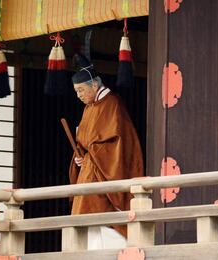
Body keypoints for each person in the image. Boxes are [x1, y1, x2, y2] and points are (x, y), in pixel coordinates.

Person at [68, 54, 144, 249]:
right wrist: (81, 157)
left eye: (81, 90)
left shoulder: (112, 104)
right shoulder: (89, 108)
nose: (79, 95)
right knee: (87, 228)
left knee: (103, 225)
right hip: (89, 172)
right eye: (76, 92)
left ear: (94, 85)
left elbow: (116, 144)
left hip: (103, 173)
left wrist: (91, 156)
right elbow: (85, 143)